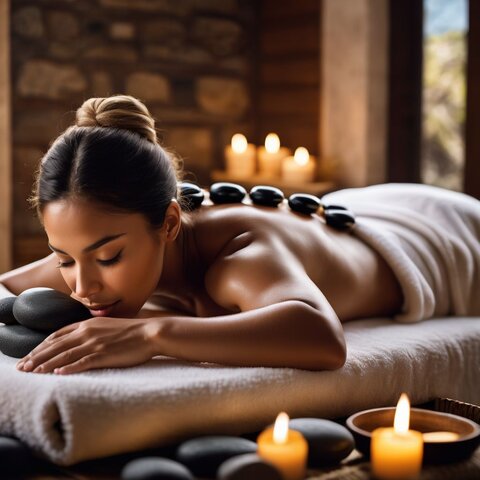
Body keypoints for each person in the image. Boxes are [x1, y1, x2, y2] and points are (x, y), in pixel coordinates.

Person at [0, 95, 479, 375]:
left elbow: (323, 340)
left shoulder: (239, 259)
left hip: (445, 233)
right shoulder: (97, 251)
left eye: (108, 258)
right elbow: (7, 287)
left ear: (168, 224)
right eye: (64, 259)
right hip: (350, 209)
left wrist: (150, 332)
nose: (82, 287)